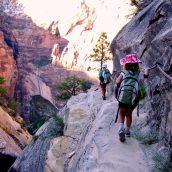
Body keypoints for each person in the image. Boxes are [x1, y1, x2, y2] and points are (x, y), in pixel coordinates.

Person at [115, 54, 149, 142]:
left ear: (126, 64)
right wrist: (146, 70)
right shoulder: (139, 73)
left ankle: (121, 130)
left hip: (123, 96)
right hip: (133, 98)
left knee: (121, 114)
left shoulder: (124, 72)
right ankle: (127, 130)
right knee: (128, 114)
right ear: (137, 64)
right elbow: (146, 76)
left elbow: (117, 82)